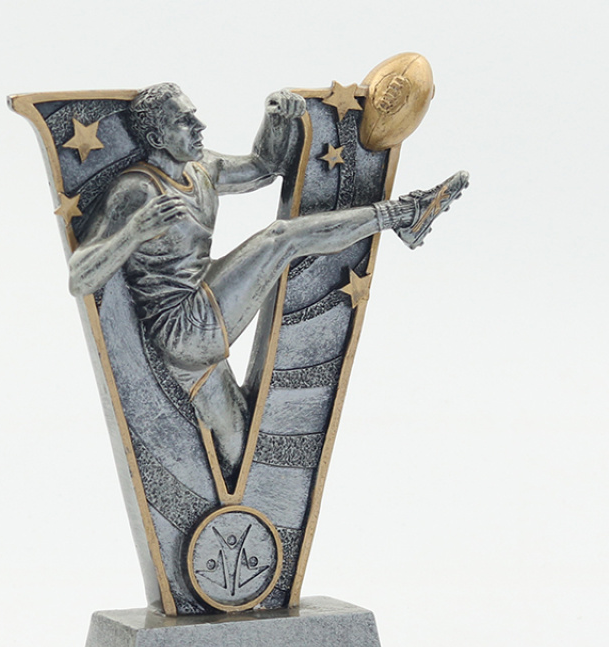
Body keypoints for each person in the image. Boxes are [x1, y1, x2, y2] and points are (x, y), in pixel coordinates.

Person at [69, 82, 467, 479]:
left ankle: (228, 514)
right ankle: (404, 214)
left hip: (202, 325)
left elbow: (264, 167)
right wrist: (133, 232)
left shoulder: (202, 167)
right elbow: (80, 276)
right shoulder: (136, 190)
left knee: (238, 453)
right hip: (183, 327)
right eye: (184, 121)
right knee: (281, 238)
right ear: (157, 138)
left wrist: (275, 118)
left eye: (194, 115)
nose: (200, 126)